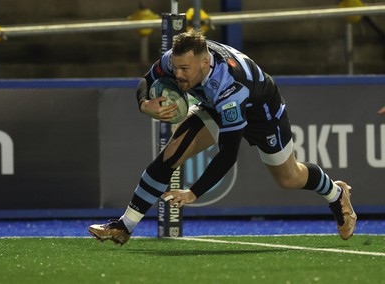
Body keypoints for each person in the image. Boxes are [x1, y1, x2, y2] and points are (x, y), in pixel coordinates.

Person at [89, 29, 356, 245]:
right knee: (171, 154)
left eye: (185, 70)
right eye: (176, 68)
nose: (178, 75)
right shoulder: (177, 58)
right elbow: (147, 79)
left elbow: (228, 154)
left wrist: (194, 193)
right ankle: (124, 226)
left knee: (290, 178)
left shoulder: (230, 86)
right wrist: (144, 103)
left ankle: (336, 192)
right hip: (214, 106)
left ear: (204, 63)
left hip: (262, 111)